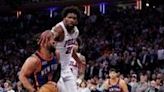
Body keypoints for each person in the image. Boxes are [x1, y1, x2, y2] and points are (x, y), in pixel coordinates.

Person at [51, 6, 85, 92]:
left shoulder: (76, 32)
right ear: (64, 18)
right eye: (69, 17)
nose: (71, 20)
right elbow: (48, 46)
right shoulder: (59, 30)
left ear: (77, 21)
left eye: (74, 18)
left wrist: (78, 61)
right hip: (56, 68)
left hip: (66, 68)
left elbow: (70, 48)